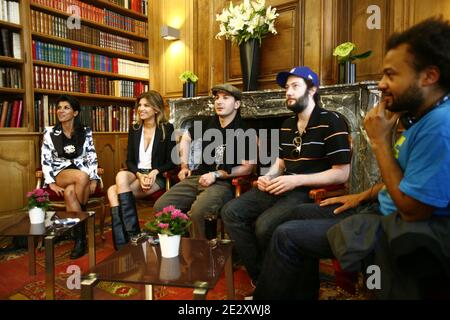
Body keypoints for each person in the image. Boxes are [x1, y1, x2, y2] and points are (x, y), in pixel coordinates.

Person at [253, 17, 450, 300]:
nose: (381, 85)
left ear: (429, 77)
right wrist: (362, 195)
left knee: (285, 234)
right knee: (295, 214)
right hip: (378, 208)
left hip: (404, 226)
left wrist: (380, 141)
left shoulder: (440, 126)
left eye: (391, 75)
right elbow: (411, 178)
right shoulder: (422, 119)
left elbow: (413, 210)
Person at [221, 66, 352, 283]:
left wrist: (296, 180)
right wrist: (268, 176)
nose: (288, 92)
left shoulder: (332, 120)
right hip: (282, 184)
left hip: (307, 192)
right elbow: (281, 163)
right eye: (286, 88)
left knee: (264, 226)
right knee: (231, 211)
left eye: (295, 86)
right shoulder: (287, 124)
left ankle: (273, 279)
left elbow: (342, 174)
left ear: (312, 90)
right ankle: (262, 276)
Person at [153, 84, 255, 239]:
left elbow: (247, 168)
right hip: (197, 177)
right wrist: (184, 166)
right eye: (217, 98)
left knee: (198, 213)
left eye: (225, 98)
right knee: (161, 206)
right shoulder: (208, 123)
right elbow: (186, 138)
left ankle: (202, 255)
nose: (219, 101)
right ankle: (182, 246)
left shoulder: (245, 131)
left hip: (223, 183)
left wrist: (216, 175)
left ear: (237, 104)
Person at [107, 91, 176, 250]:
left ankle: (122, 243)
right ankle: (133, 235)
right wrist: (139, 174)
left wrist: (153, 172)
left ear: (156, 109)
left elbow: (172, 162)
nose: (141, 109)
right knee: (120, 176)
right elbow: (130, 160)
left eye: (146, 105)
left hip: (156, 176)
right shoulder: (135, 128)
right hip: (136, 173)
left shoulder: (166, 128)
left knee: (112, 191)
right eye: (140, 105)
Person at [41, 94, 99, 259]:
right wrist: (51, 182)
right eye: (59, 107)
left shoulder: (85, 131)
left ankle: (80, 239)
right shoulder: (50, 132)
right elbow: (45, 159)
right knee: (81, 177)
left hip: (81, 173)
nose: (61, 111)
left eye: (66, 108)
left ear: (75, 112)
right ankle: (84, 215)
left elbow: (91, 156)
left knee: (70, 193)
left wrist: (94, 178)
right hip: (61, 173)